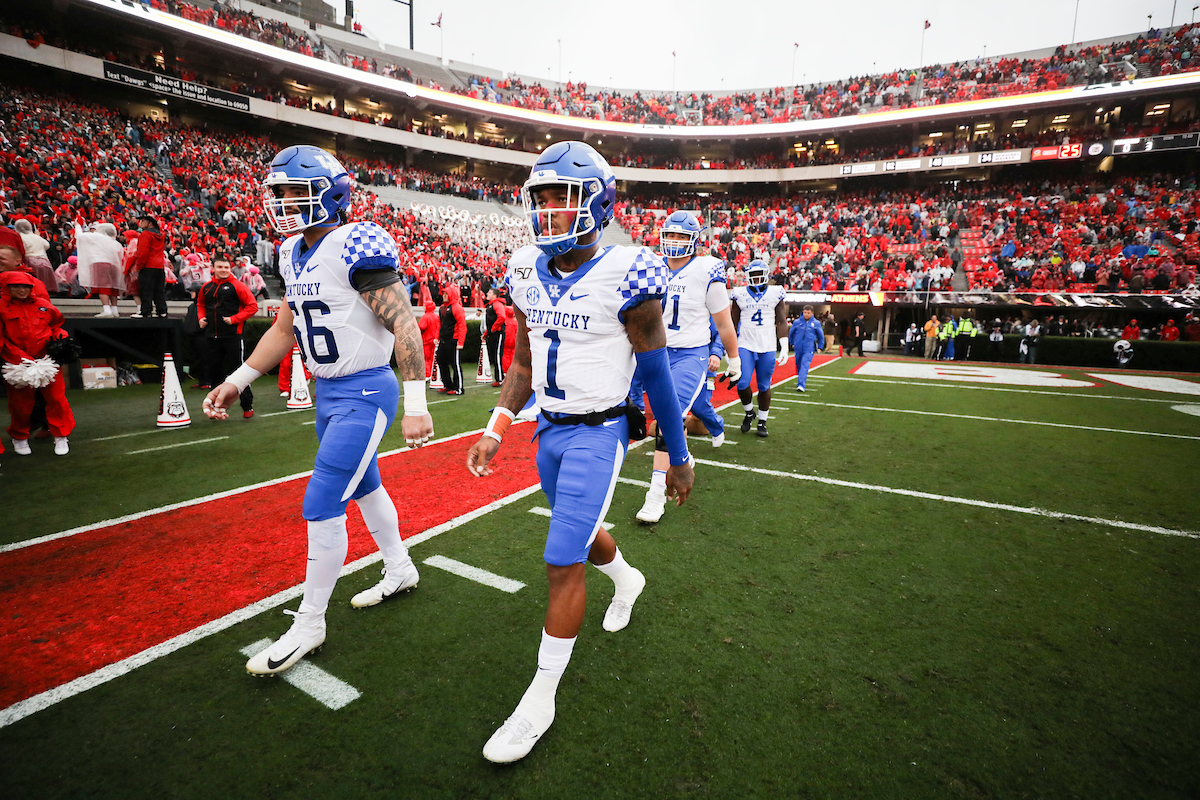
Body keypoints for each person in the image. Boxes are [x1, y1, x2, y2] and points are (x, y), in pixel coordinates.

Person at [465, 140, 694, 764]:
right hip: (549, 430)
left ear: (596, 202)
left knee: (560, 559)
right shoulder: (521, 268)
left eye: (561, 202)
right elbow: (521, 360)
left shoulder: (631, 271)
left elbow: (658, 371)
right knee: (584, 535)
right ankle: (629, 579)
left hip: (600, 430)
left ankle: (540, 701)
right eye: (539, 201)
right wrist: (498, 424)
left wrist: (678, 453)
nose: (548, 214)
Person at [203, 145, 434, 676]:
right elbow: (285, 328)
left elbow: (403, 322)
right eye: (277, 193)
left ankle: (310, 622)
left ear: (331, 194)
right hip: (330, 393)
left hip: (367, 390)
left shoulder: (356, 242)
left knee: (322, 499)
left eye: (293, 191)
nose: (283, 203)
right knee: (367, 486)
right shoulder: (290, 252)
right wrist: (239, 379)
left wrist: (417, 403)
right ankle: (399, 568)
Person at [636, 210, 739, 524]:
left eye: (683, 236)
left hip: (689, 354)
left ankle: (655, 495)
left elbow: (723, 322)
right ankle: (680, 453)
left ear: (695, 241)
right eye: (672, 235)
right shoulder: (651, 265)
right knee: (628, 411)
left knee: (670, 416)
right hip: (654, 351)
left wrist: (732, 357)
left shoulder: (707, 269)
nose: (676, 242)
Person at [0, 272, 75, 456]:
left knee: (57, 400)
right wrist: (19, 357)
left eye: (26, 286)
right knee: (20, 404)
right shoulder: (2, 307)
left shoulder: (43, 305)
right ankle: (19, 436)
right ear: (7, 288)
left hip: (47, 362)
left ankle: (61, 436)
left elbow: (57, 325)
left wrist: (61, 340)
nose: (22, 290)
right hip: (17, 365)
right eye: (16, 286)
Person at [730, 259, 788, 438]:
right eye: (752, 275)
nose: (756, 279)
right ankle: (749, 412)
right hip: (745, 344)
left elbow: (781, 320)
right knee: (741, 382)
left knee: (764, 385)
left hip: (767, 345)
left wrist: (784, 345)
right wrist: (729, 350)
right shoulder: (739, 293)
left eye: (758, 275)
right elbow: (732, 323)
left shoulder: (775, 292)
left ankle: (762, 421)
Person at [198, 256, 259, 418]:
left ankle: (247, 406)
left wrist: (234, 319)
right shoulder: (206, 287)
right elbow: (201, 304)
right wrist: (201, 318)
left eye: (226, 267)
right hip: (211, 336)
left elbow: (252, 306)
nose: (223, 270)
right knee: (215, 372)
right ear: (214, 268)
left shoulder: (237, 286)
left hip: (233, 336)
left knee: (239, 372)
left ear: (230, 268)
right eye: (220, 267)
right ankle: (216, 407)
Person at [74, 222, 126, 317]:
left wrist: (77, 226)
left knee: (103, 286)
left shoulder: (97, 237)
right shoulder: (116, 243)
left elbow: (80, 236)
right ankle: (114, 310)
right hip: (114, 265)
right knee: (113, 287)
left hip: (99, 262)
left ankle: (107, 310)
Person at [130, 215, 167, 319]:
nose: (140, 223)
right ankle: (162, 311)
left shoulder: (145, 234)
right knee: (159, 290)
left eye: (143, 221)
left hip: (148, 265)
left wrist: (139, 266)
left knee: (146, 289)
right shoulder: (161, 234)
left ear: (150, 223)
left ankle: (146, 311)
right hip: (160, 266)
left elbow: (142, 253)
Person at [436, 283, 466, 395]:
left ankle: (459, 388)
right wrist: (437, 337)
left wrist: (460, 342)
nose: (444, 295)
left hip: (453, 340)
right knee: (441, 361)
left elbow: (462, 325)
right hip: (444, 340)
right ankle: (448, 385)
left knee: (455, 364)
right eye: (443, 293)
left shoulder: (457, 308)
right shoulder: (442, 308)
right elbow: (440, 324)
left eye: (446, 293)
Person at [788, 305, 825, 392]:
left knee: (805, 364)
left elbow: (821, 336)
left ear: (812, 313)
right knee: (799, 364)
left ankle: (801, 385)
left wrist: (820, 346)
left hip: (809, 347)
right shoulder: (797, 322)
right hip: (798, 347)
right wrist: (792, 343)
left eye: (808, 313)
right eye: (805, 312)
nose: (806, 314)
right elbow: (791, 333)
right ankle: (800, 377)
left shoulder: (816, 323)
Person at [484, 288, 507, 386]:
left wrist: (493, 329)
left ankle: (500, 378)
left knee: (497, 356)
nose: (487, 293)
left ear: (495, 295)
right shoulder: (491, 305)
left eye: (489, 292)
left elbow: (501, 317)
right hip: (493, 333)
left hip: (497, 333)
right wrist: (486, 333)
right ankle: (499, 377)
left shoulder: (497, 304)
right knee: (494, 356)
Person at [417, 299, 439, 379]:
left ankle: (427, 374)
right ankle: (433, 373)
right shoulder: (437, 317)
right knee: (433, 358)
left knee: (425, 358)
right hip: (435, 340)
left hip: (426, 341)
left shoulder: (425, 317)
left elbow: (421, 327)